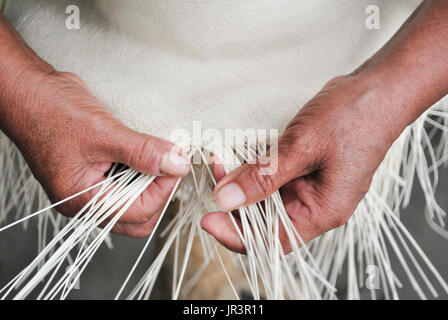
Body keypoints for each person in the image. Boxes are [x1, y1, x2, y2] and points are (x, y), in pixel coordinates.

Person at [0, 0, 447, 254]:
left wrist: (388, 92)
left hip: (338, 60)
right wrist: (19, 86)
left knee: (246, 234)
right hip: (93, 64)